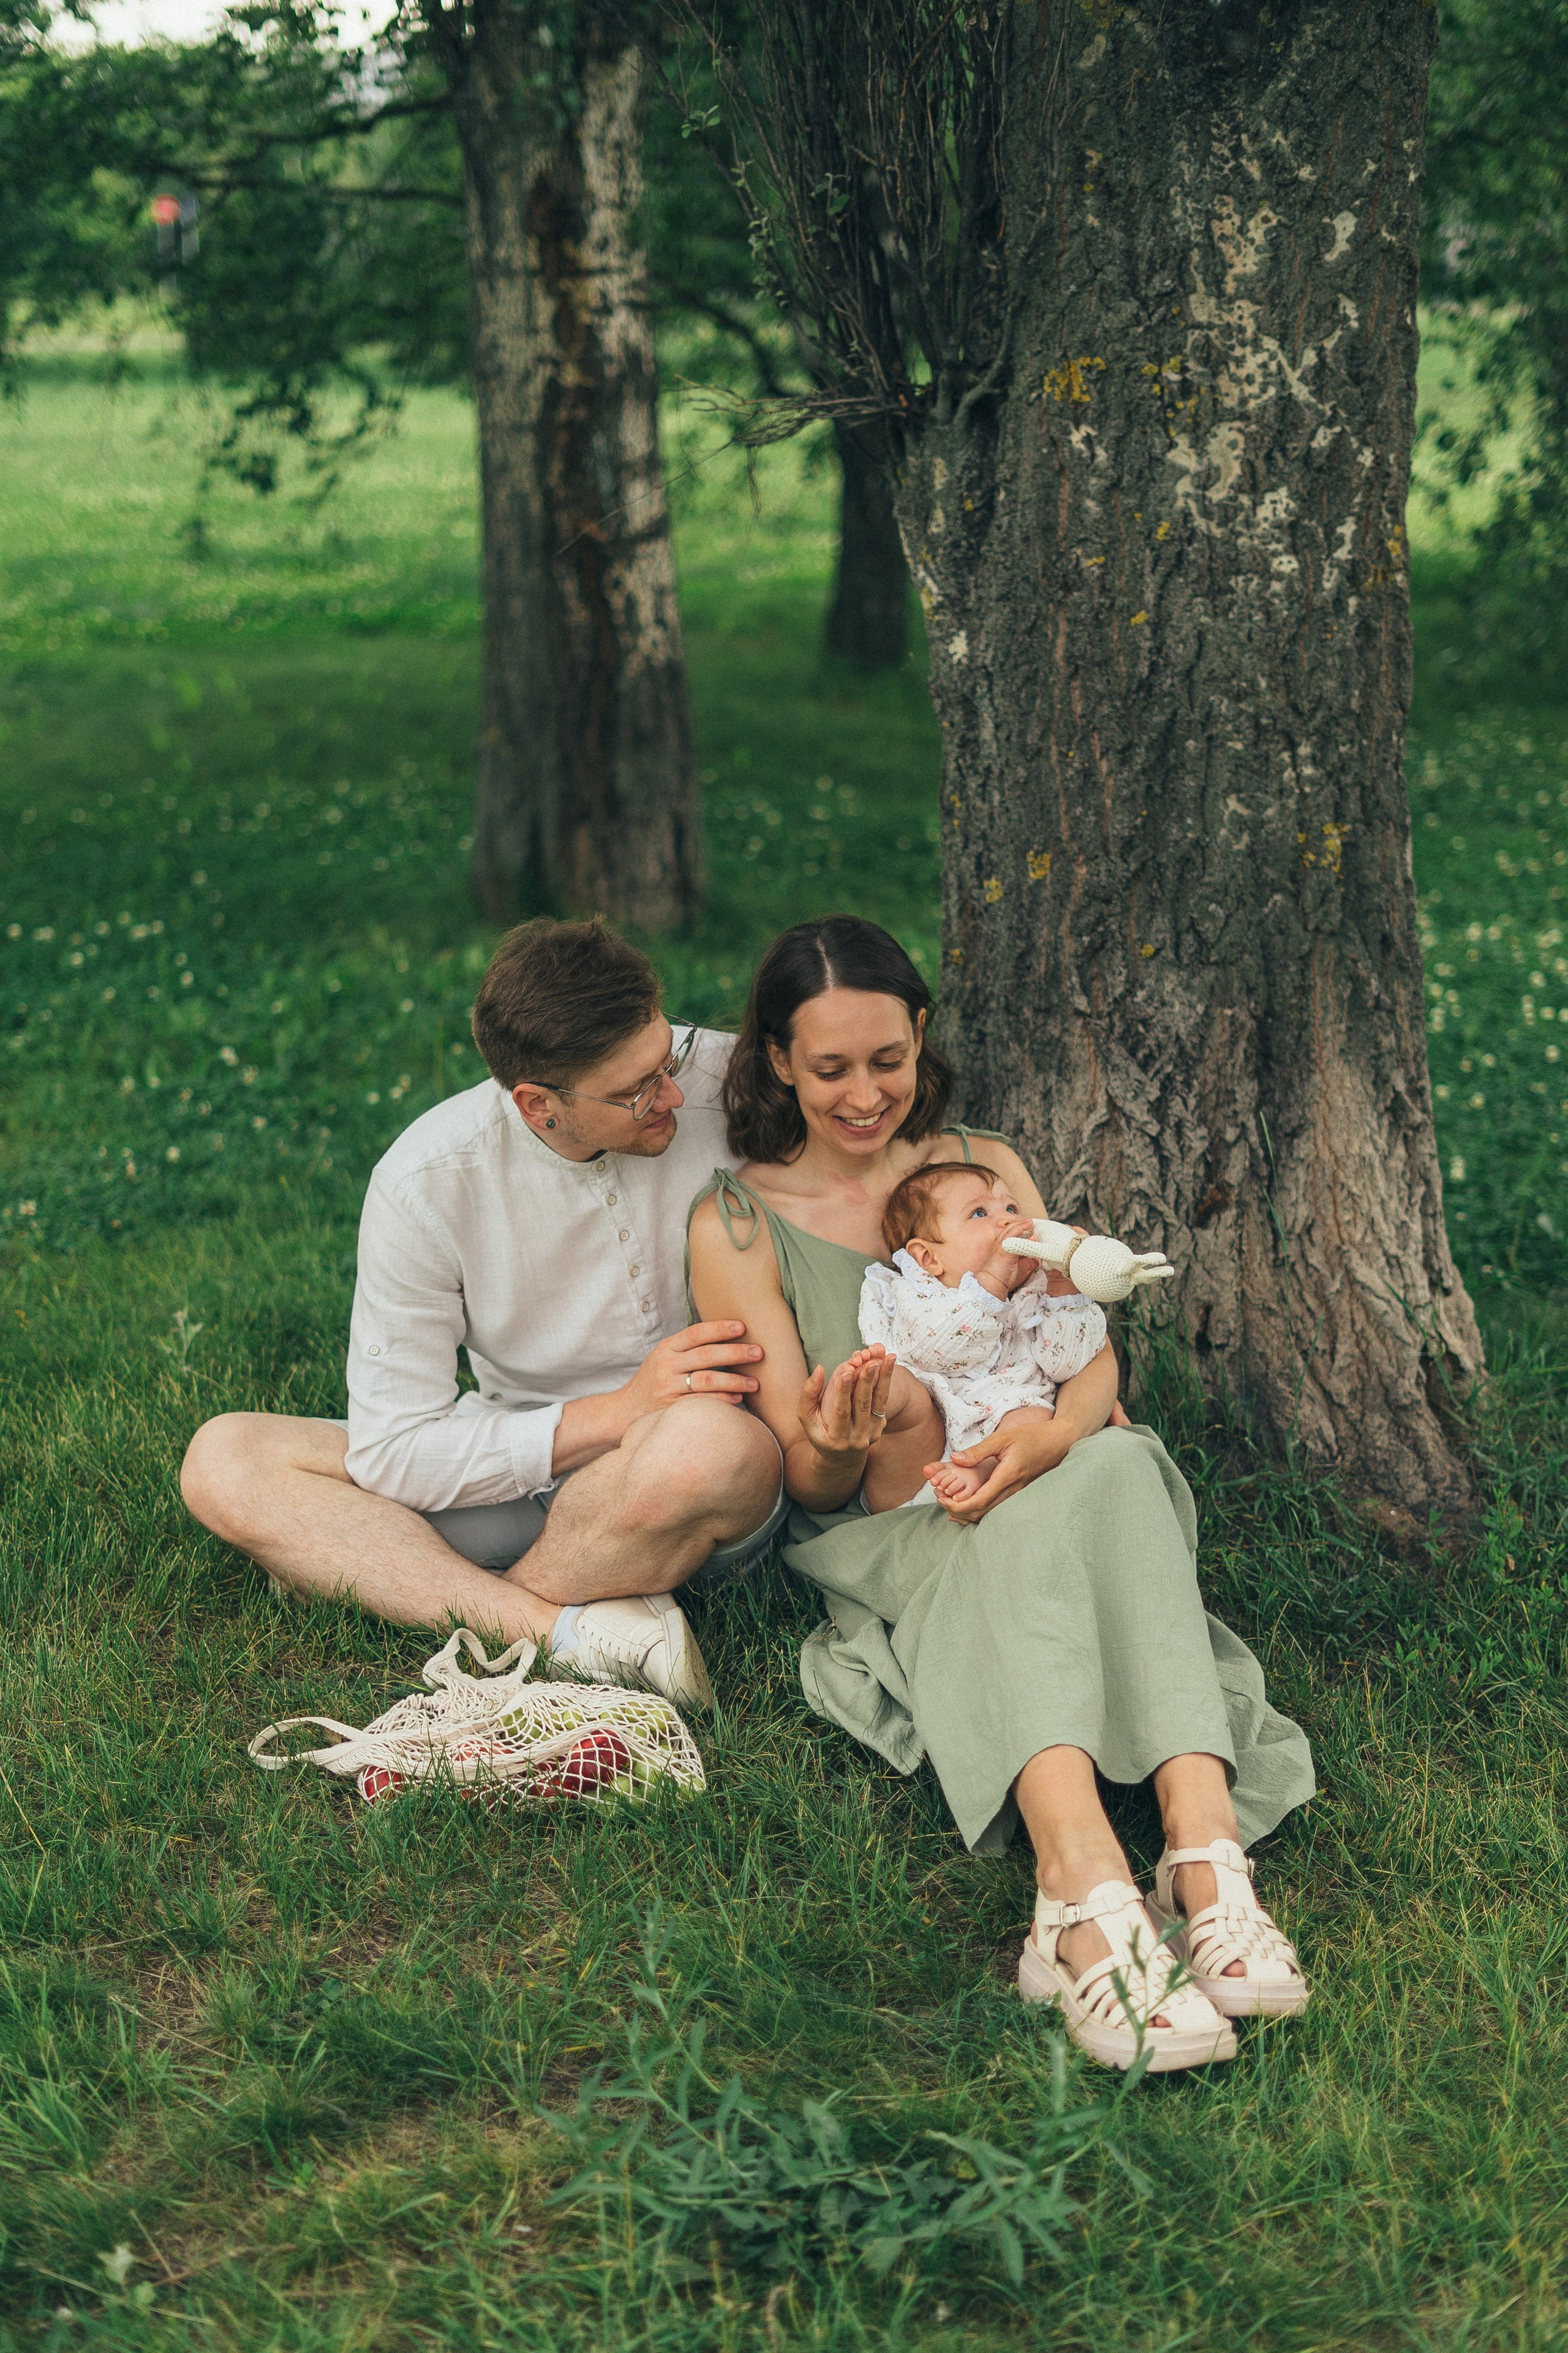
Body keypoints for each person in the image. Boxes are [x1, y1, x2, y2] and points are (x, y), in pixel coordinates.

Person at [688, 914, 1315, 2073]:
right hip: (895, 1518)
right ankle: (1081, 1894)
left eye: (889, 1059)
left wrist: (1052, 1433)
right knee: (1055, 1500)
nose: (866, 1095)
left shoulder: (985, 1167)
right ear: (777, 1060)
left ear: (922, 1034)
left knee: (1120, 1455)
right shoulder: (737, 1223)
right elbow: (808, 1477)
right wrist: (837, 1438)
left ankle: (1204, 1860)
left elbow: (1087, 1364)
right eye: (830, 1068)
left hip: (1047, 1459)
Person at [181, 918, 783, 1706]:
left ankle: (417, 1586)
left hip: (695, 1470)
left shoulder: (735, 1080)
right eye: (635, 1091)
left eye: (665, 1059)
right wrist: (618, 1411)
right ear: (537, 1105)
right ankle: (561, 1630)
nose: (671, 1093)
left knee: (711, 1446)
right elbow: (395, 1447)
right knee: (226, 1458)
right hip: (522, 1462)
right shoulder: (426, 1181)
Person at [853, 1159, 1109, 1513]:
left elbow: (1065, 1365)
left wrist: (1064, 1289)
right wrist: (992, 1283)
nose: (1006, 1221)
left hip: (1010, 1424)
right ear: (928, 1258)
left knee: (1032, 1413)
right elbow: (938, 1350)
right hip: (927, 1441)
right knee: (904, 1397)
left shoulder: (1036, 1289)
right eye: (979, 1213)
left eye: (1011, 1208)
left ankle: (987, 1467)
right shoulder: (916, 1292)